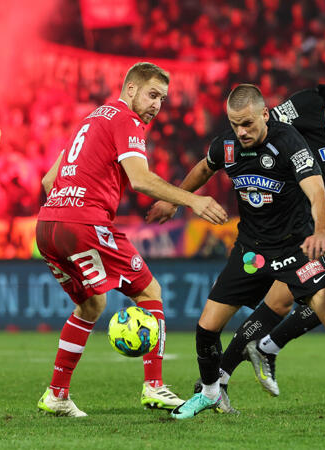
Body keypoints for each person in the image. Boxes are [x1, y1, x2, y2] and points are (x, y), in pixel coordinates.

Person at [148, 84, 325, 420]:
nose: (241, 132)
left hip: (296, 248)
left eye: (247, 123)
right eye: (235, 125)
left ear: (265, 114)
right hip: (252, 252)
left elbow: (317, 191)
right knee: (206, 328)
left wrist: (320, 231)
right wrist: (175, 200)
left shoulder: (289, 142)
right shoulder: (227, 145)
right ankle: (209, 393)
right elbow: (204, 167)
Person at [34, 62, 228, 417]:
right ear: (131, 89)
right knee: (150, 291)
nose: (157, 105)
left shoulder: (92, 119)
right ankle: (154, 386)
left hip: (48, 225)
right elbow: (139, 179)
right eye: (152, 95)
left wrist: (66, 210)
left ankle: (57, 395)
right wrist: (193, 200)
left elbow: (49, 181)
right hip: (83, 222)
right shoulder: (126, 119)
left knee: (91, 305)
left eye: (162, 99)